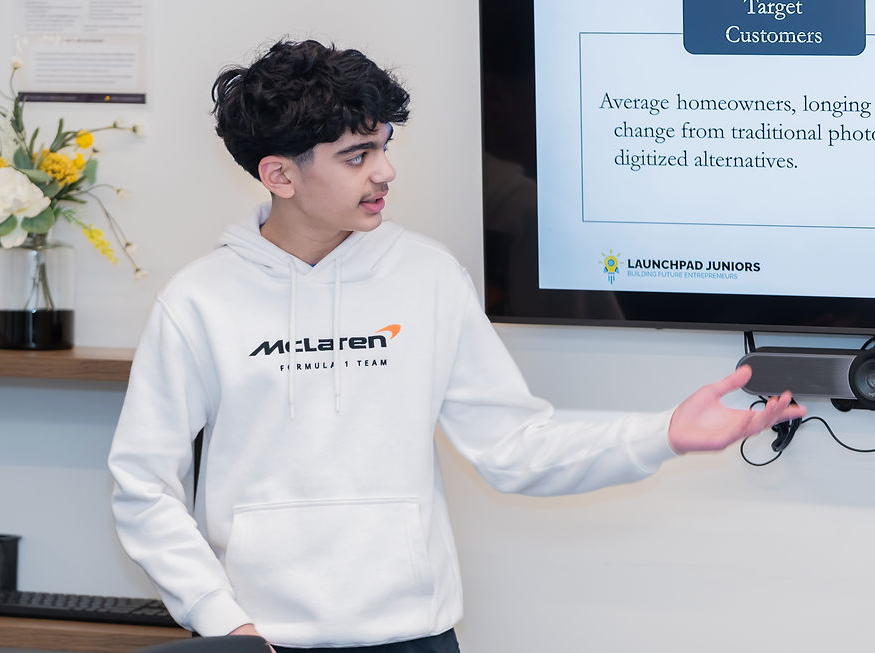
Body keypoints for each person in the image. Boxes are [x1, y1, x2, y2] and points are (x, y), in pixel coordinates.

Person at [107, 39, 803, 653]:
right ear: (280, 176)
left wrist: (662, 435)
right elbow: (142, 484)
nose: (385, 172)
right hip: (262, 642)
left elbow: (514, 445)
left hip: (415, 637)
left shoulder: (429, 277)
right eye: (357, 155)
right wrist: (223, 621)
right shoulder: (200, 301)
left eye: (383, 146)